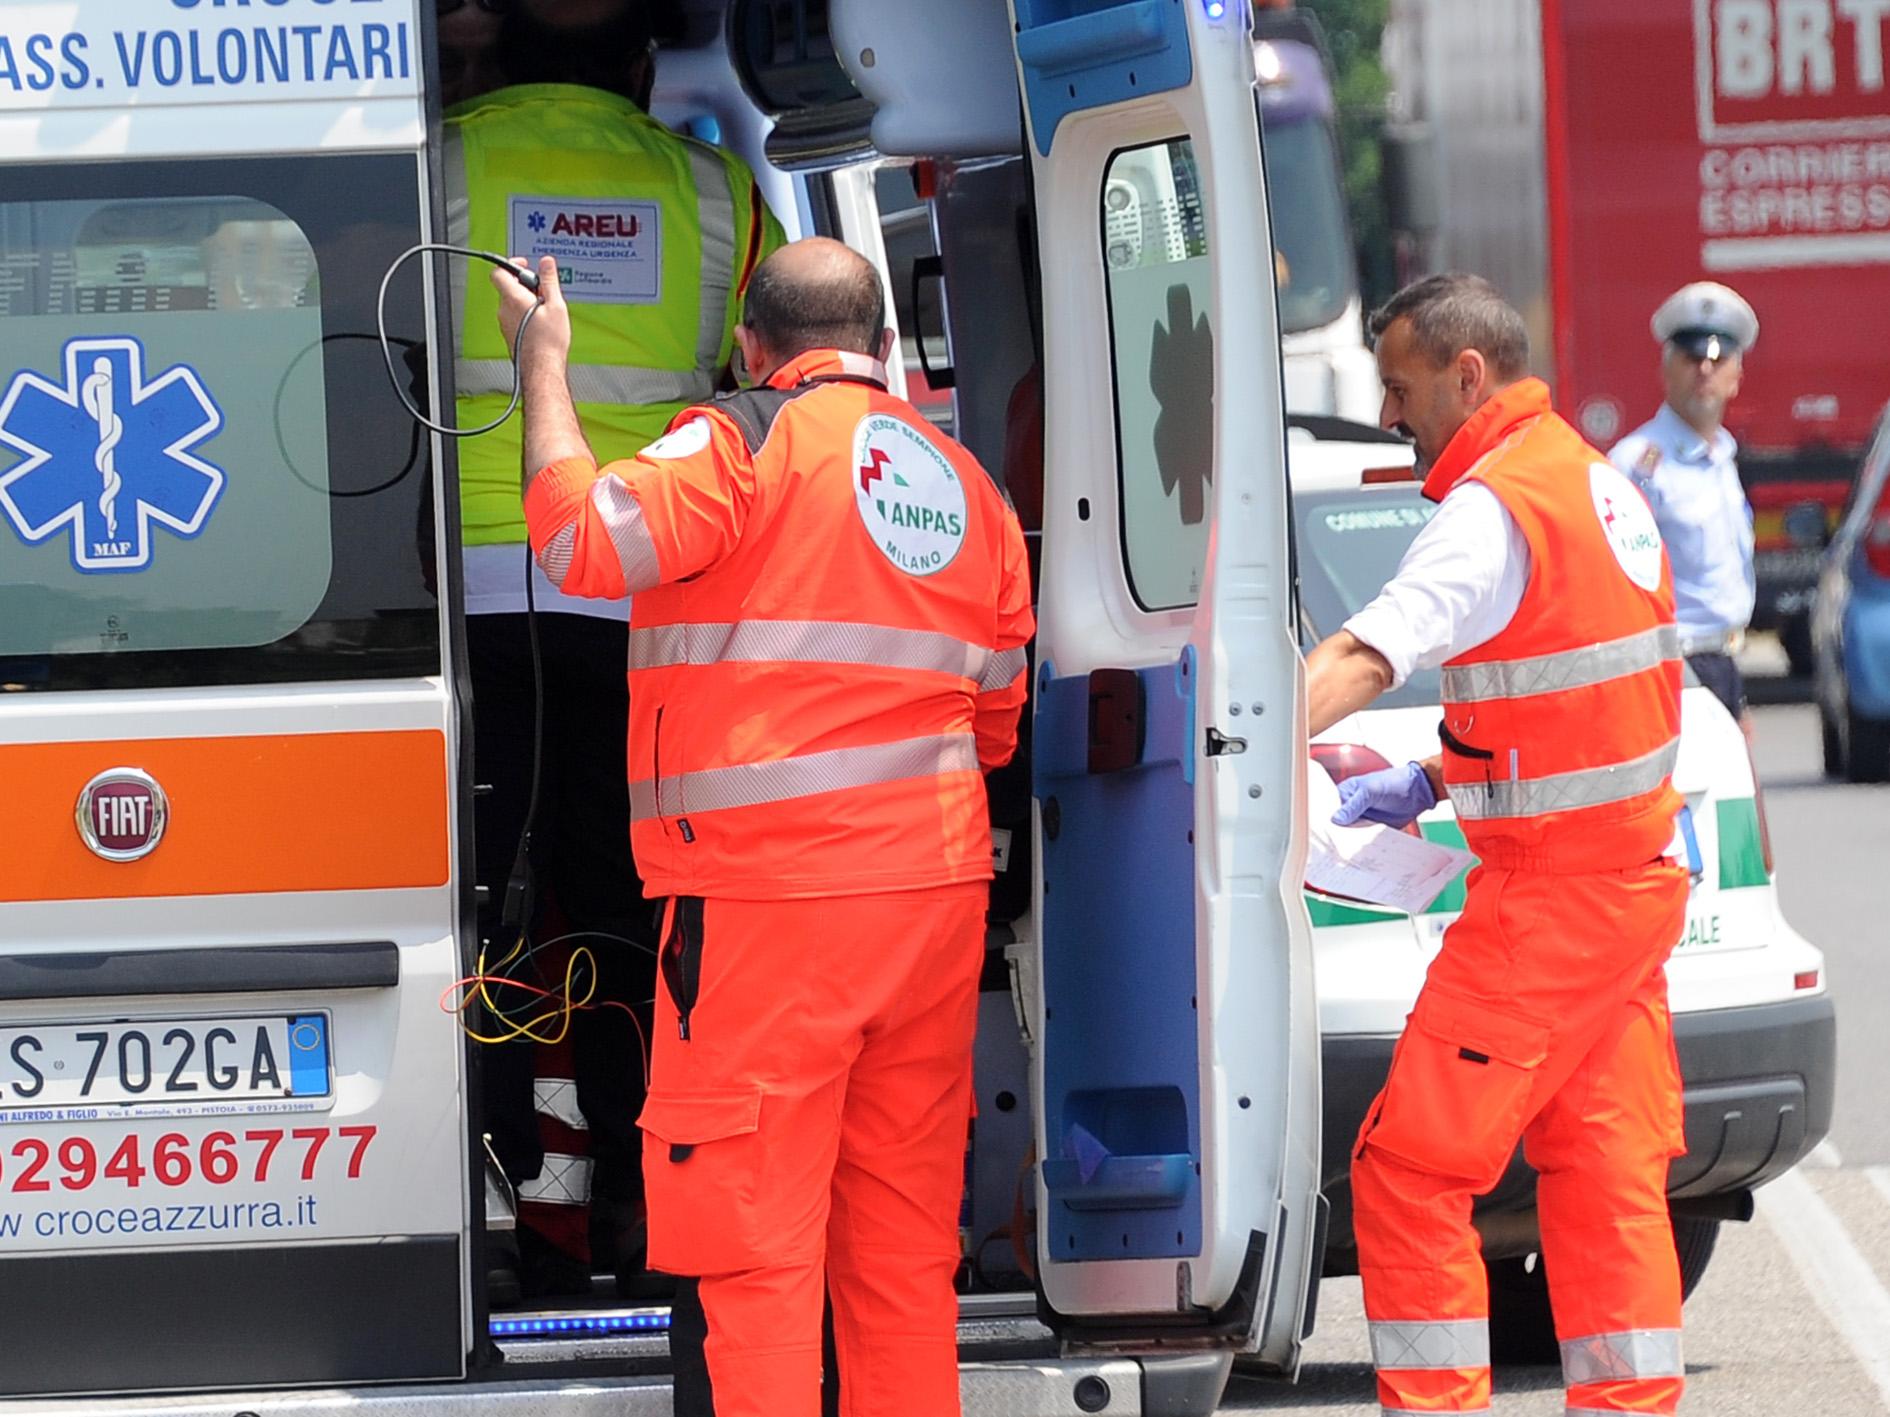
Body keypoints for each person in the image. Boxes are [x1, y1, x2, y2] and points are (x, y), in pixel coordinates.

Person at [493, 237, 1033, 1417]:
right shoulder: (962, 482)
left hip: (766, 916)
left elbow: (580, 542)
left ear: (752, 346)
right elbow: (997, 716)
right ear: (885, 350)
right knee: (897, 1257)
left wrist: (543, 368)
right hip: (930, 909)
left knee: (756, 1254)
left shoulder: (736, 441)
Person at [441, 0, 783, 1298]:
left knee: (492, 922)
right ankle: (644, 1199)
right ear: (641, 61)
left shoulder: (438, 161)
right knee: (638, 915)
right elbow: (771, 369)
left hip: (469, 607)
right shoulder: (717, 190)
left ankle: (517, 1198)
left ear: (493, 46)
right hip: (647, 601)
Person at [1305, 274, 1689, 1417]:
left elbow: (1374, 651)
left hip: (1549, 913)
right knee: (1605, 1177)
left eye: (1400, 386)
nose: (1387, 412)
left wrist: (1238, 732)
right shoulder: (1594, 485)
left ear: (1468, 376)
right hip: (1623, 898)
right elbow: (1586, 698)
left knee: (1409, 1170)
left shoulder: (1488, 506)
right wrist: (1428, 776)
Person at [1609, 280, 1760, 723]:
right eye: (1692, 358)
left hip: (1723, 662)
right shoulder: (1635, 464)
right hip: (1671, 667)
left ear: (1737, 378)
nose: (1705, 372)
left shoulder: (1723, 456)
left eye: (1718, 361)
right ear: (1666, 369)